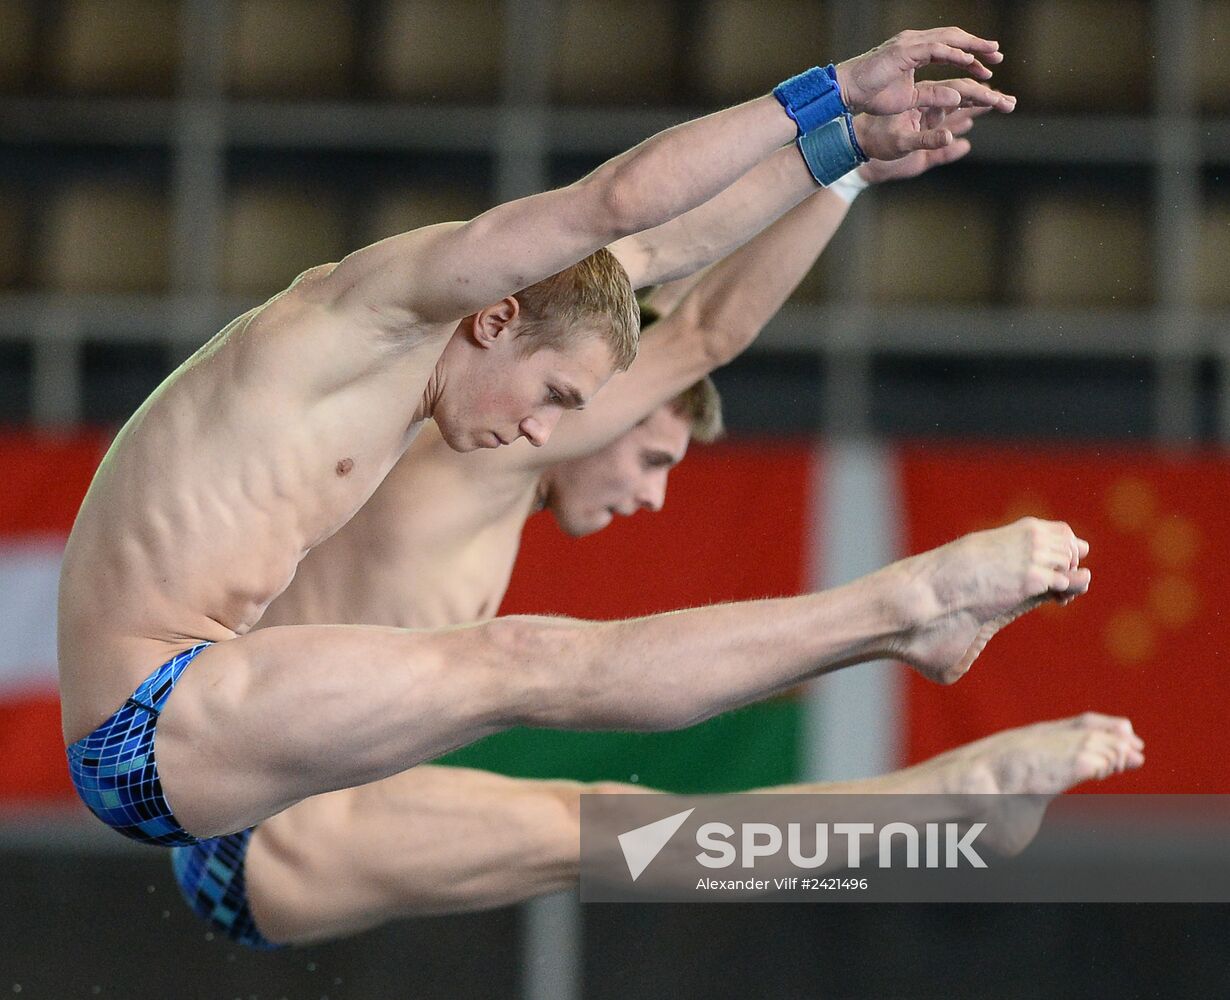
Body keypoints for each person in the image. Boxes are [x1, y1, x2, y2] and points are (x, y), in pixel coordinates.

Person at [60, 29, 1028, 855]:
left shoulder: (439, 360)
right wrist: (831, 92)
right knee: (521, 666)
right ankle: (901, 615)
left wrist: (837, 154)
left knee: (574, 785)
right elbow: (618, 210)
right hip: (150, 718)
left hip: (201, 725)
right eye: (554, 395)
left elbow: (651, 254)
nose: (541, 432)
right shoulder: (377, 313)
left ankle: (894, 653)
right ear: (494, 319)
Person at [172, 134, 1141, 948]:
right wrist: (839, 167)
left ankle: (944, 800)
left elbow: (690, 328)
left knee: (631, 833)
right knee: (600, 824)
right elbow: (702, 329)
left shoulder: (489, 484)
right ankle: (929, 727)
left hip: (279, 820)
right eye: (653, 455)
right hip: (253, 830)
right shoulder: (475, 457)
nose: (652, 495)